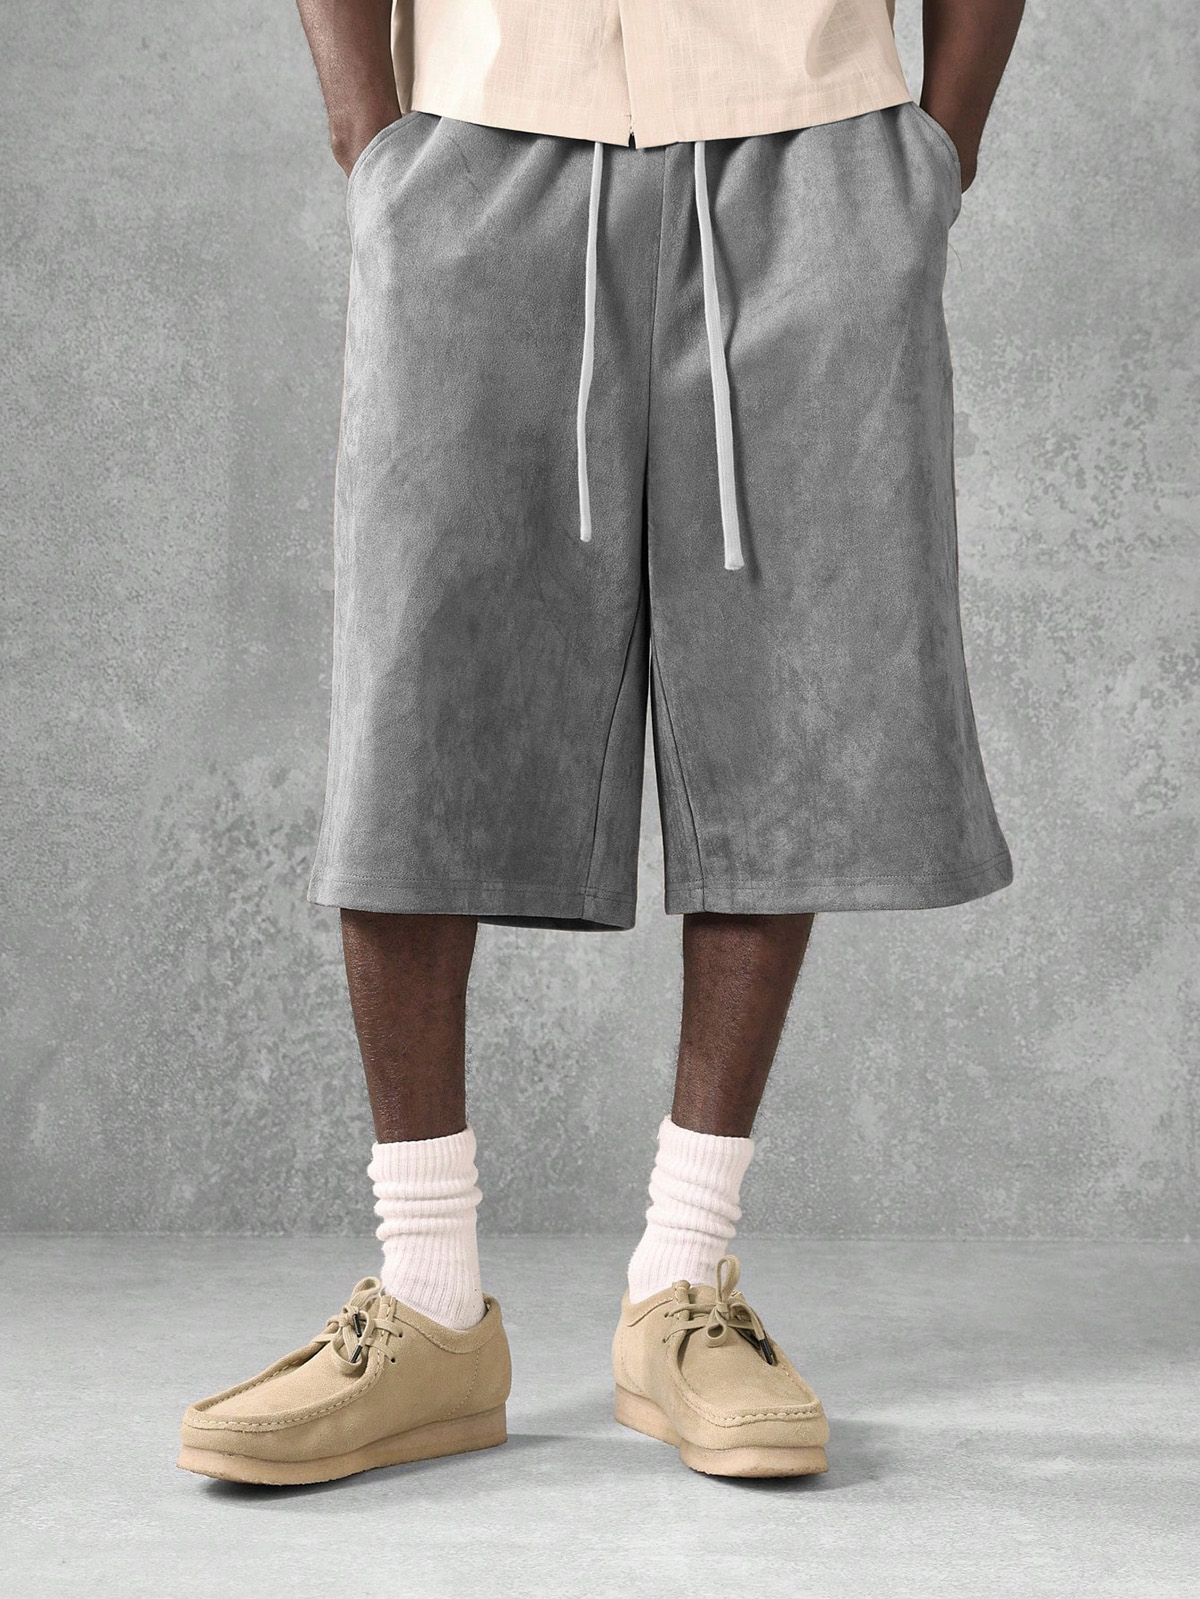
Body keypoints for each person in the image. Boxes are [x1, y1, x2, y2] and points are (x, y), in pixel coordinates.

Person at [178, 0, 1024, 1485]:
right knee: (419, 703)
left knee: (781, 704)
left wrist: (933, 158)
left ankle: (683, 1281)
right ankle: (428, 1299)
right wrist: (372, 143)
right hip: (483, 135)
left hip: (809, 142)